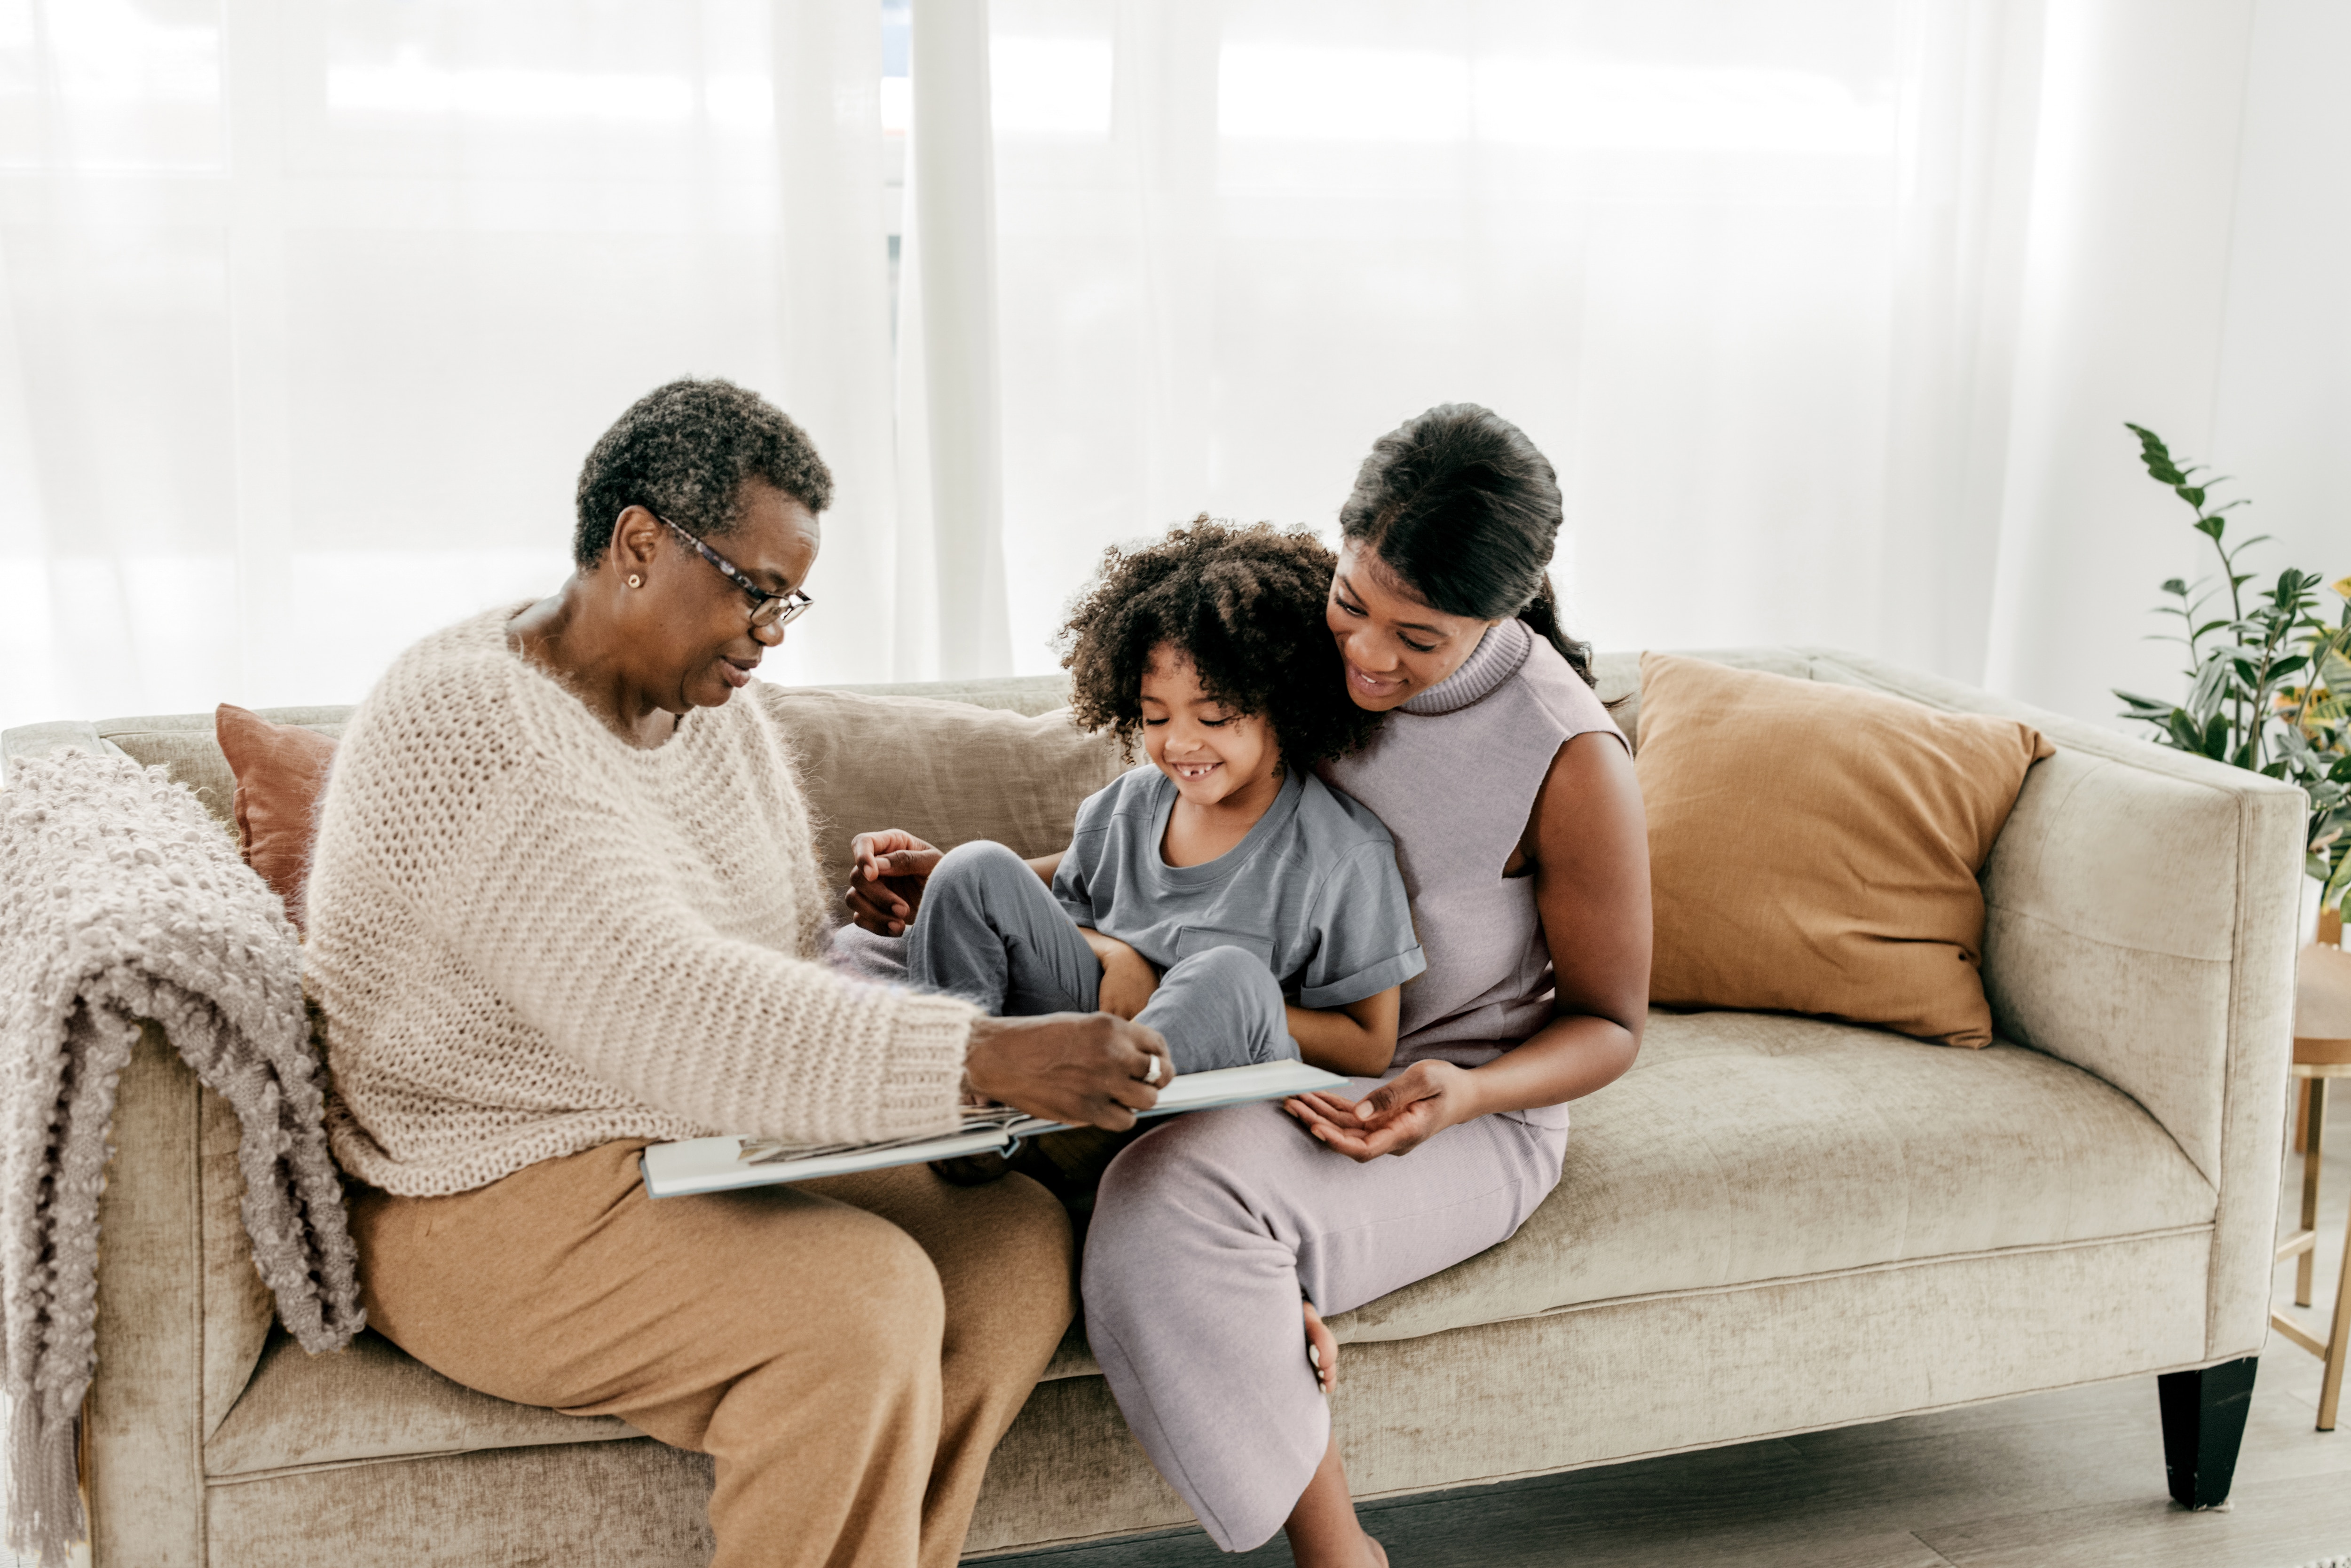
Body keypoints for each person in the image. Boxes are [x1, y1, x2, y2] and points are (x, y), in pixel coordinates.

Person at [304, 378, 1172, 1568]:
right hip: (478, 1183)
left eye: (791, 601)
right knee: (856, 1309)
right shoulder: (472, 720)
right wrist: (978, 1056)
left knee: (1011, 1251)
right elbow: (661, 996)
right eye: (755, 591)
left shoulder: (707, 713)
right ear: (639, 543)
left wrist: (883, 930)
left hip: (681, 1141)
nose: (770, 633)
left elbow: (762, 959)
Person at [1081, 405, 1651, 1565]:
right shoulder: (1299, 634)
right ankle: (1256, 1293)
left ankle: (1341, 1552)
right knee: (1069, 1101)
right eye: (1353, 601)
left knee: (1164, 1206)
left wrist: (1468, 1095)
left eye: (1418, 637)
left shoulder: (1567, 755)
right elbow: (1192, 827)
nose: (1365, 656)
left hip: (1439, 1102)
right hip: (1250, 1048)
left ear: (1500, 610)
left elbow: (1608, 1025)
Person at [849, 520, 1424, 1083]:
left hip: (1198, 1080)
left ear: (1285, 700)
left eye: (1213, 716)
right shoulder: (1124, 809)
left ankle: (1079, 1133)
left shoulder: (1343, 855)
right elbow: (1062, 918)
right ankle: (961, 1090)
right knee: (973, 864)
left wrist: (1218, 1001)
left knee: (1228, 975)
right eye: (1155, 716)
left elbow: (1370, 1046)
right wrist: (1118, 955)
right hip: (1076, 1036)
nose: (1178, 742)